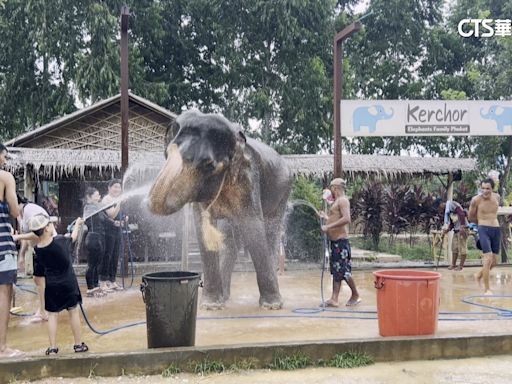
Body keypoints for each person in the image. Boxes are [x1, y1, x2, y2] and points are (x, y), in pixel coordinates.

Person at [27, 213, 88, 355]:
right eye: (49, 224)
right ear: (47, 229)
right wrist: (78, 224)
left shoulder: (37, 250)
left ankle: (53, 347)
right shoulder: (60, 241)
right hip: (68, 283)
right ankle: (78, 345)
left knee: (52, 316)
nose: (51, 225)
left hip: (52, 286)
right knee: (73, 312)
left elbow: (39, 272)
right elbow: (73, 238)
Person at [319, 178, 361, 307]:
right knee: (336, 271)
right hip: (336, 243)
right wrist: (326, 218)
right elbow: (336, 217)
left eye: (331, 188)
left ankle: (355, 294)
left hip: (341, 242)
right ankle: (334, 298)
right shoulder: (337, 201)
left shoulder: (343, 200)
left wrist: (328, 227)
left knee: (344, 271)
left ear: (336, 188)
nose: (331, 190)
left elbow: (346, 219)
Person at [16, 194, 54, 322]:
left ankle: (44, 311)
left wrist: (18, 237)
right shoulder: (20, 214)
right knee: (39, 279)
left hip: (48, 247)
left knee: (41, 280)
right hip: (39, 249)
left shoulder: (29, 210)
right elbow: (26, 237)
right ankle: (43, 310)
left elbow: (38, 232)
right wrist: (21, 256)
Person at [0, 144, 23, 358]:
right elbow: (15, 210)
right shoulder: (5, 177)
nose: (5, 161)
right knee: (4, 293)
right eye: (4, 157)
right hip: (1, 241)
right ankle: (2, 347)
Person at [468, 178, 500, 295]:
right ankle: (487, 289)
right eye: (483, 188)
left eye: (488, 189)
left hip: (496, 229)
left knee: (495, 262)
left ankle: (478, 275)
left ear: (492, 189)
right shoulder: (475, 200)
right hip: (483, 228)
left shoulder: (497, 197)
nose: (485, 191)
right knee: (488, 259)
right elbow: (470, 217)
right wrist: (481, 223)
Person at [100, 179, 126, 291]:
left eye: (119, 187)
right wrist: (120, 202)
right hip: (108, 231)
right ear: (109, 188)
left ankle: (112, 280)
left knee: (115, 255)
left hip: (117, 230)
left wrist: (125, 218)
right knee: (108, 255)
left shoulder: (116, 199)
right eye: (115, 187)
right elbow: (111, 215)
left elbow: (120, 214)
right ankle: (103, 281)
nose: (117, 189)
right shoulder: (106, 199)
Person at [83, 187, 108, 297]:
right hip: (92, 238)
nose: (99, 197)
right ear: (89, 197)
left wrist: (116, 223)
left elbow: (106, 219)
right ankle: (90, 288)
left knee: (98, 263)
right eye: (97, 195)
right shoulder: (89, 207)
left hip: (99, 238)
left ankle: (96, 286)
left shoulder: (98, 208)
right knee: (92, 264)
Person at [440, 200, 469, 270]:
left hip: (462, 229)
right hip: (456, 230)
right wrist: (447, 230)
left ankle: (461, 266)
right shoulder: (448, 211)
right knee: (454, 248)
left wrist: (462, 226)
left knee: (462, 248)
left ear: (443, 204)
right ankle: (453, 264)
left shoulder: (452, 204)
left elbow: (461, 214)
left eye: (440, 207)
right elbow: (453, 223)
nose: (440, 209)